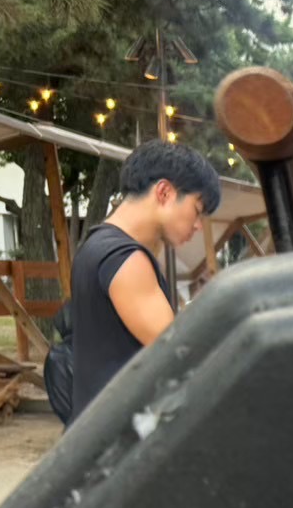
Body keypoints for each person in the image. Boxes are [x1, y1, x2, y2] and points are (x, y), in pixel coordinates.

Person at [69, 140, 221, 423]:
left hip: (97, 426)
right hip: (119, 435)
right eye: (197, 210)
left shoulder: (95, 246)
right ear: (164, 192)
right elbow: (180, 352)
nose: (198, 225)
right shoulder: (126, 259)